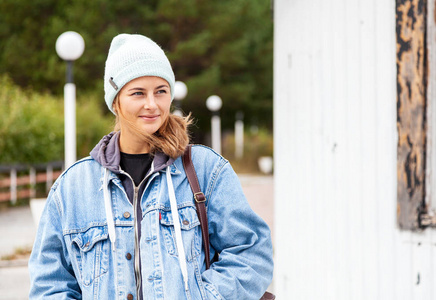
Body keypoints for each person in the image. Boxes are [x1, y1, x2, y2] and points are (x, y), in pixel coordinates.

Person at [29, 33, 273, 300]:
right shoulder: (73, 186)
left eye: (161, 91)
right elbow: (50, 286)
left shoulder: (206, 170)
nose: (152, 104)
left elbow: (251, 253)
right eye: (138, 93)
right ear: (115, 101)